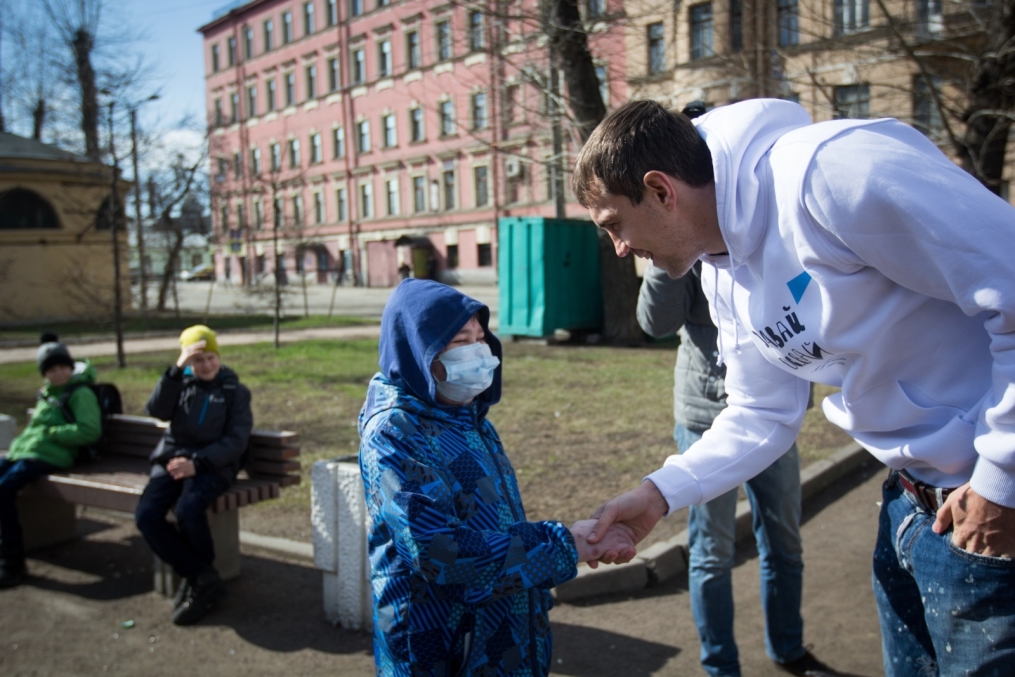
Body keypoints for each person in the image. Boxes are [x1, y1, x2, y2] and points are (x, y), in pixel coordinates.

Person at [574, 98, 1015, 676]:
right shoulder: (719, 260)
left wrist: (1000, 481)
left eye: (613, 227)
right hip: (910, 505)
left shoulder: (834, 173)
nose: (621, 250)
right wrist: (660, 493)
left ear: (660, 191)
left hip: (988, 511)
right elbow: (762, 412)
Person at [359, 279, 635, 677]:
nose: (477, 351)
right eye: (459, 341)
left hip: (501, 638)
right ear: (419, 349)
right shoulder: (393, 433)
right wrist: (565, 546)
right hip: (440, 650)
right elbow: (440, 551)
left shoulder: (468, 416)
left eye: (481, 337)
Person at [638, 262, 829, 676]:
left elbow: (813, 301)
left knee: (784, 542)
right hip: (707, 414)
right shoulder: (684, 236)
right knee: (712, 551)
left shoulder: (771, 229)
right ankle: (721, 666)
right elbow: (655, 323)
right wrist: (662, 259)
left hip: (773, 417)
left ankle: (788, 648)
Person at [134, 325, 252, 626]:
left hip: (213, 466)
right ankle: (201, 576)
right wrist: (175, 370)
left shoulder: (235, 392)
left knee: (189, 509)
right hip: (172, 462)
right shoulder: (181, 384)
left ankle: (199, 579)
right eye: (198, 360)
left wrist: (197, 463)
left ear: (218, 357)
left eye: (211, 357)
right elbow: (156, 410)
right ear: (188, 362)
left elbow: (236, 441)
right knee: (147, 515)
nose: (206, 365)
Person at [0, 334, 101, 588]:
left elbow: (89, 430)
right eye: (52, 370)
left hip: (54, 455)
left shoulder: (80, 393)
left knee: (4, 490)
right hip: (29, 451)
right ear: (44, 374)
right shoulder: (48, 392)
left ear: (70, 366)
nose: (58, 374)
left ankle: (11, 561)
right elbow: (37, 426)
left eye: (62, 368)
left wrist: (53, 434)